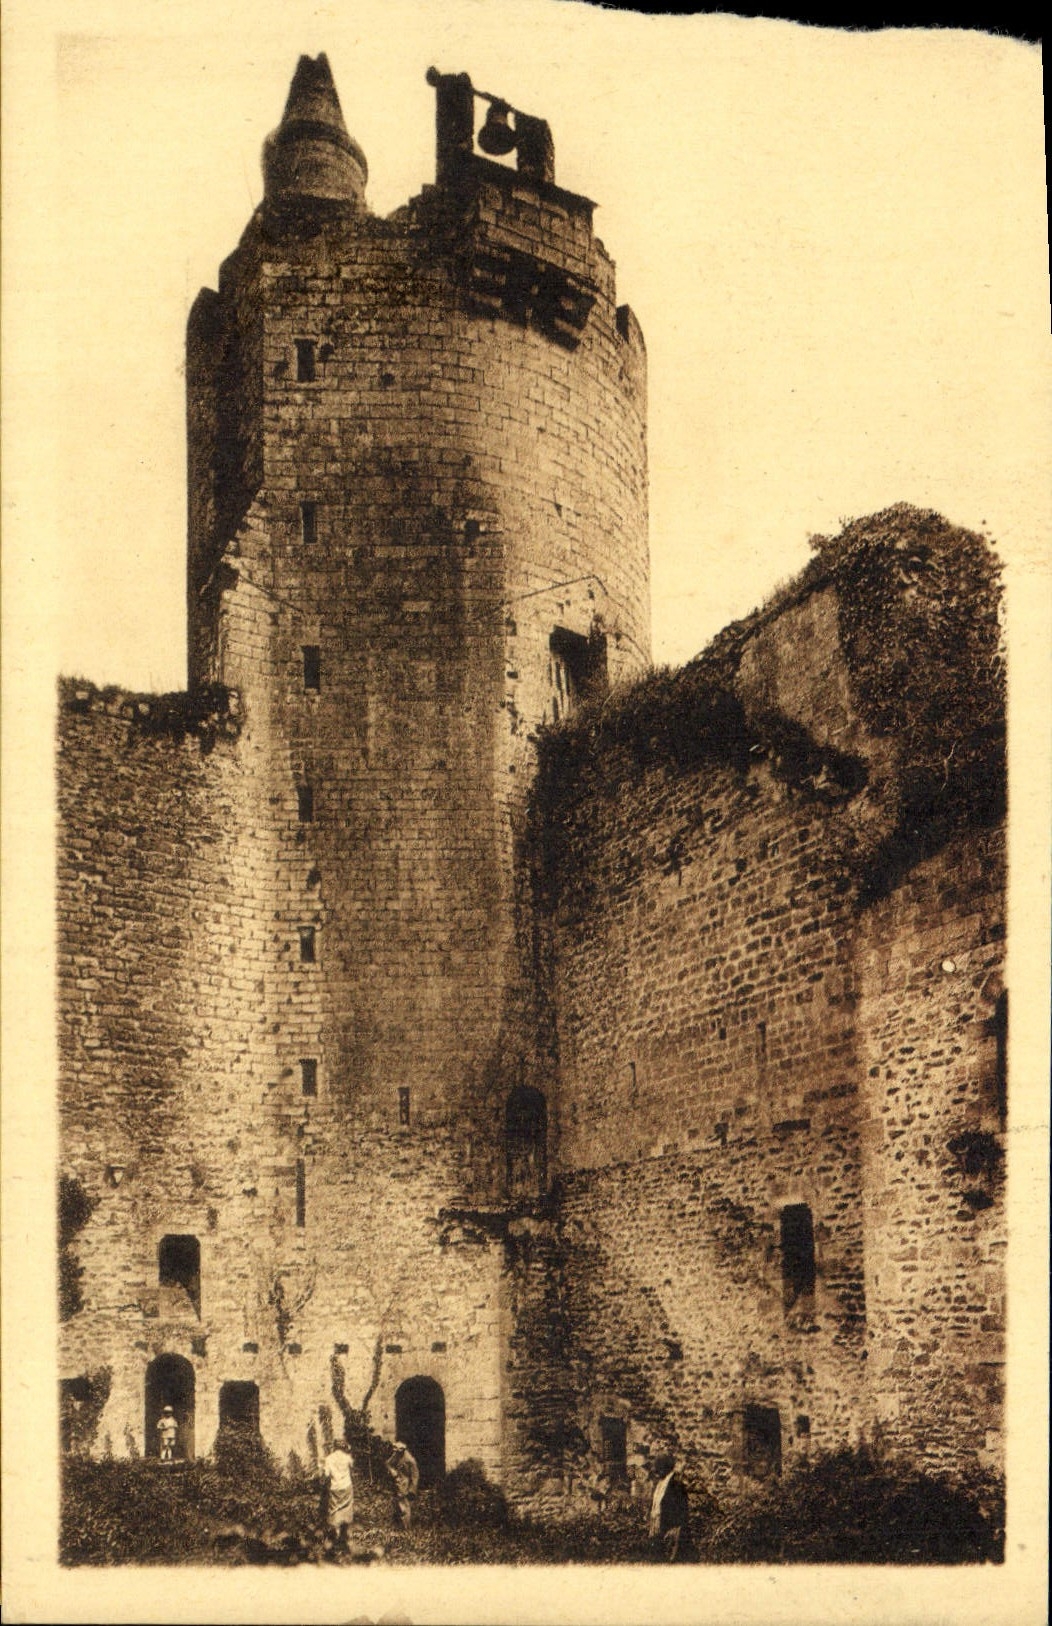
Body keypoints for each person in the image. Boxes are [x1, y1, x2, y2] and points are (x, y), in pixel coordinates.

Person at [648, 1454, 693, 1562]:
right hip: (659, 1529)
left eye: (658, 1469)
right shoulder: (660, 1484)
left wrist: (676, 1529)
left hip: (671, 1531)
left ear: (665, 1469)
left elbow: (683, 1509)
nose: (656, 1472)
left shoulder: (676, 1485)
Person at [321, 1437, 355, 1555]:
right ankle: (345, 1537)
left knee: (334, 1510)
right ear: (343, 1446)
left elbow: (326, 1475)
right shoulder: (347, 1458)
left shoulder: (329, 1459)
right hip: (346, 1487)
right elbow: (352, 1469)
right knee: (346, 1509)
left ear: (334, 1446)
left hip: (335, 1487)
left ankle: (335, 1536)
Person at [386, 1440, 420, 1530]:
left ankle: (406, 1527)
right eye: (395, 1451)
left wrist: (412, 1490)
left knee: (404, 1505)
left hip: (405, 1482)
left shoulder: (410, 1460)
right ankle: (399, 1525)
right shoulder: (396, 1455)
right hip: (397, 1481)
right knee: (397, 1503)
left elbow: (415, 1476)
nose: (395, 1453)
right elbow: (388, 1463)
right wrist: (393, 1471)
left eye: (398, 1451)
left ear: (403, 1450)